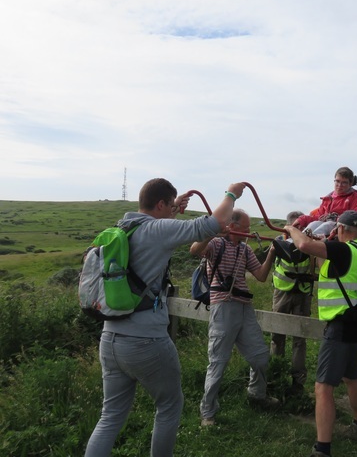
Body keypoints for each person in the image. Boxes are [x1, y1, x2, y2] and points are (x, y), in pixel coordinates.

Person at [84, 178, 245, 457]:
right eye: (170, 205)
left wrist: (172, 210)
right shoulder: (157, 229)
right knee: (169, 405)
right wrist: (232, 193)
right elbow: (216, 223)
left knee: (110, 416)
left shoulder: (123, 227)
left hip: (110, 337)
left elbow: (161, 230)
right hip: (146, 340)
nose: (173, 209)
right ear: (160, 204)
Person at [285, 210, 357, 457]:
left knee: (323, 388)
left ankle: (322, 448)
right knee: (352, 378)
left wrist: (291, 229)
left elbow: (302, 244)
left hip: (340, 326)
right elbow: (333, 270)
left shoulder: (343, 249)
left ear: (341, 229)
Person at [190, 209, 279, 427]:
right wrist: (213, 232)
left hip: (243, 307)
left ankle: (257, 394)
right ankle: (208, 412)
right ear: (233, 226)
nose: (249, 231)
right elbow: (194, 250)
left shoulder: (245, 249)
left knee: (260, 356)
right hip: (223, 307)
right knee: (218, 361)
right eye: (246, 228)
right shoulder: (217, 244)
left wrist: (272, 252)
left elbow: (260, 276)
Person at [270, 210, 314, 394]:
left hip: (299, 293)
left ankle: (297, 383)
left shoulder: (308, 243)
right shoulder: (279, 243)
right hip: (285, 292)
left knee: (298, 338)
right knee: (278, 336)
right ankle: (276, 376)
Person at [292, 166, 357, 236]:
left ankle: (309, 242)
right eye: (337, 181)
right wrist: (302, 219)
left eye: (344, 182)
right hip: (324, 225)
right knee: (314, 224)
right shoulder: (328, 199)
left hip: (341, 228)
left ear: (350, 184)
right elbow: (318, 217)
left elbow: (356, 218)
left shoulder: (355, 198)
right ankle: (297, 241)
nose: (339, 185)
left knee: (327, 225)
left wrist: (334, 218)